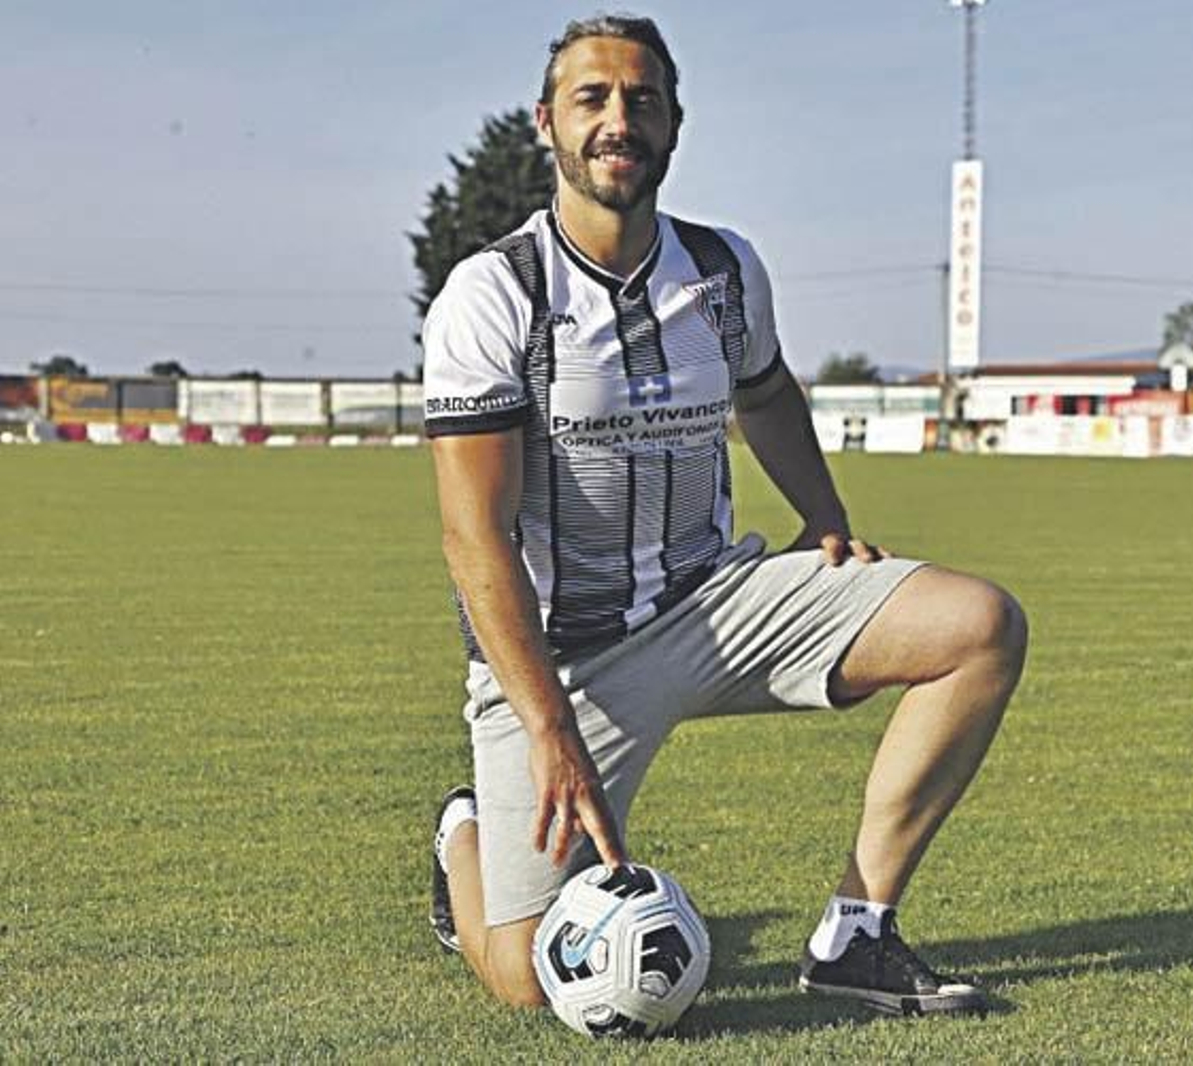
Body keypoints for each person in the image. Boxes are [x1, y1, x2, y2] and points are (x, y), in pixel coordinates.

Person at [422, 13, 1027, 1018]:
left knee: (977, 627)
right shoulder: (495, 296)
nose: (620, 119)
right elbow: (473, 536)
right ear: (546, 123)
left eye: (641, 99)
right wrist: (545, 725)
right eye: (593, 98)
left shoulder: (722, 267)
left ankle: (855, 935)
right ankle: (462, 835)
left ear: (673, 123)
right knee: (530, 982)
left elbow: (768, 391)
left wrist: (825, 514)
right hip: (567, 661)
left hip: (717, 603)